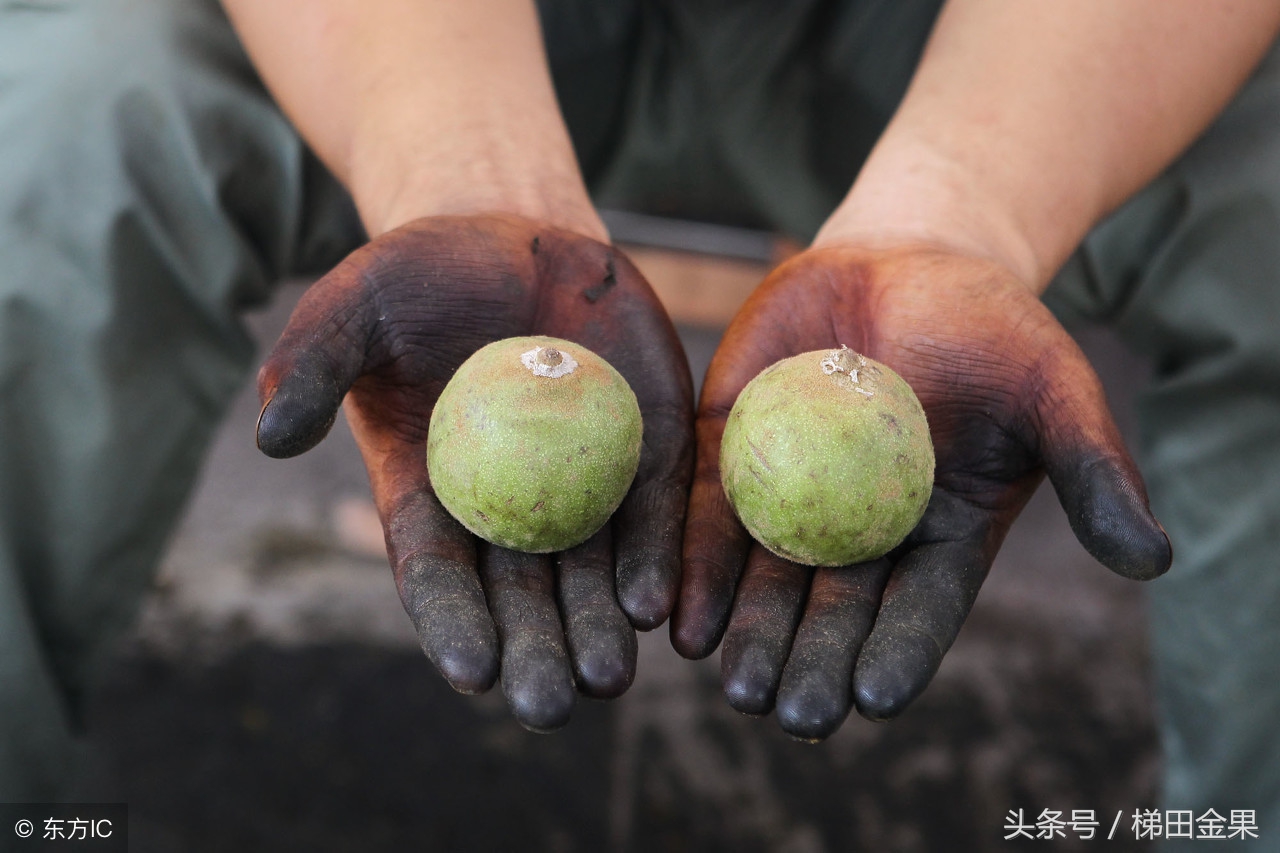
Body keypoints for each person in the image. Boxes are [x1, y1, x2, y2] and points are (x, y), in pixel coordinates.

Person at [2, 1, 1277, 848]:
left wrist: (965, 215)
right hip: (442, 36)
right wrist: (461, 174)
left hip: (973, 53)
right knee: (60, 135)